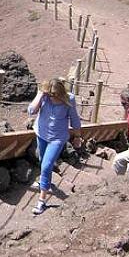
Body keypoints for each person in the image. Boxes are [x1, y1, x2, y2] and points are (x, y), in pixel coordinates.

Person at [27, 79, 82, 215]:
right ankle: (44, 182)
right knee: (42, 159)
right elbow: (31, 111)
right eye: (50, 95)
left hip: (57, 138)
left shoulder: (69, 99)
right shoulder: (44, 96)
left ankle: (41, 201)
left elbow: (74, 119)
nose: (52, 97)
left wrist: (77, 136)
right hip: (42, 133)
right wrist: (40, 94)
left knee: (46, 165)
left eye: (55, 95)